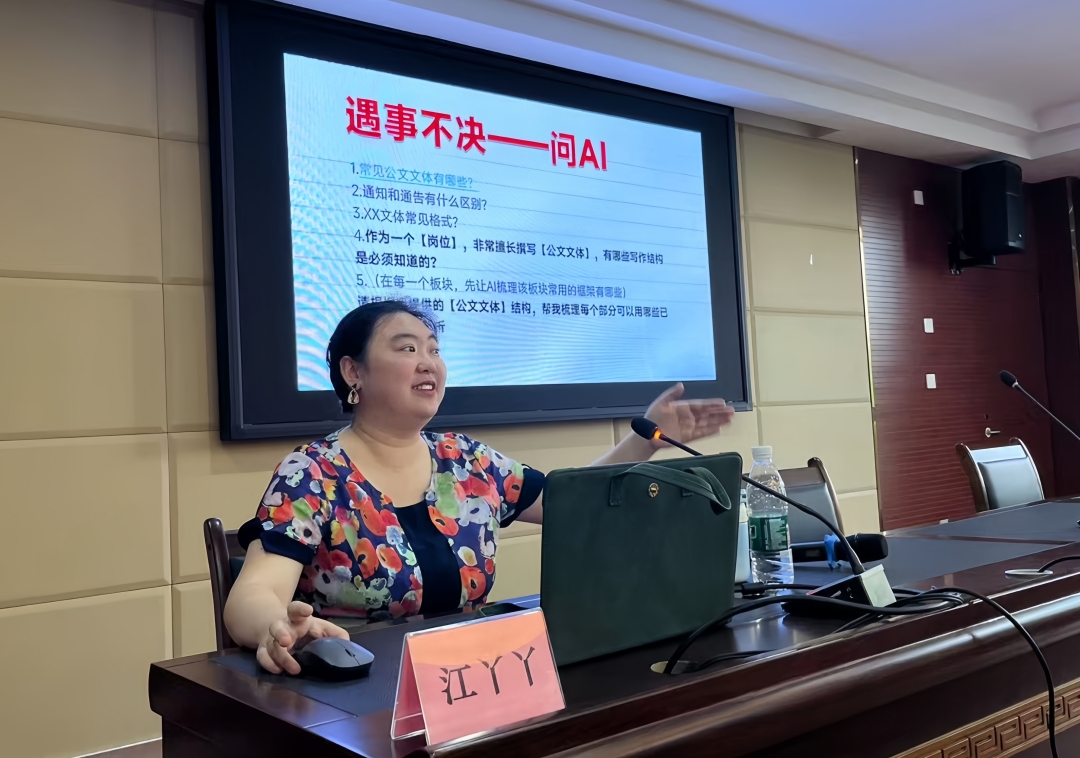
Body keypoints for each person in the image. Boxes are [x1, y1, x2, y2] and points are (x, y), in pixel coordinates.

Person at [225, 300, 735, 674]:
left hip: (473, 679)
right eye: (407, 348)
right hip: (361, 688)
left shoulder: (466, 461)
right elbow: (253, 594)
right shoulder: (313, 473)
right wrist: (279, 627)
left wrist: (645, 440)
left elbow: (576, 502)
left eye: (434, 350)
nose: (429, 362)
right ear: (352, 370)